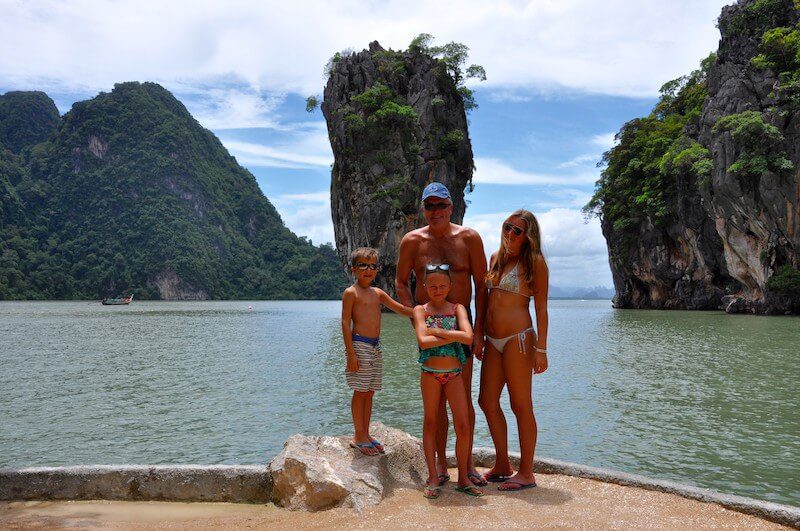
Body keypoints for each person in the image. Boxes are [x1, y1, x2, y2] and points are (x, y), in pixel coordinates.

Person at [396, 182, 488, 487]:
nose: (435, 211)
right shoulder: (412, 241)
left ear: (451, 206)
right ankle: (438, 465)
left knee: (462, 397)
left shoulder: (469, 238)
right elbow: (400, 283)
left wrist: (479, 332)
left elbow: (481, 284)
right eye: (429, 206)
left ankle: (468, 465)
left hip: (462, 324)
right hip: (429, 325)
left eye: (440, 205)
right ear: (423, 209)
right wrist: (415, 320)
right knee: (435, 403)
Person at [477, 210, 549, 490]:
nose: (510, 234)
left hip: (518, 340)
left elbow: (541, 308)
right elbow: (484, 298)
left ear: (528, 236)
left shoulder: (535, 262)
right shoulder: (496, 258)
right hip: (493, 340)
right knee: (486, 400)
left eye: (517, 231)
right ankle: (503, 463)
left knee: (521, 405)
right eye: (508, 227)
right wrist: (479, 334)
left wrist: (541, 348)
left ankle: (527, 472)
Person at [413, 264, 481, 498]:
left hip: (454, 374)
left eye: (443, 285)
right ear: (425, 287)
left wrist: (438, 332)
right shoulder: (420, 310)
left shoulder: (458, 308)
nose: (438, 289)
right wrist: (453, 336)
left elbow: (469, 336)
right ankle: (433, 475)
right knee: (431, 422)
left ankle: (462, 477)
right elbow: (422, 341)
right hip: (430, 372)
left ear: (450, 286)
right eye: (432, 286)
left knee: (462, 425)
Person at [342, 247, 413, 455]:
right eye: (363, 265)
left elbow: (399, 309)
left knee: (370, 391)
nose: (368, 270)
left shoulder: (377, 293)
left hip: (375, 347)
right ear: (353, 269)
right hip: (360, 345)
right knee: (360, 391)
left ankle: (366, 433)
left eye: (373, 266)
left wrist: (423, 311)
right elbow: (346, 323)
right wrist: (351, 354)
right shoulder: (351, 293)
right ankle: (358, 435)